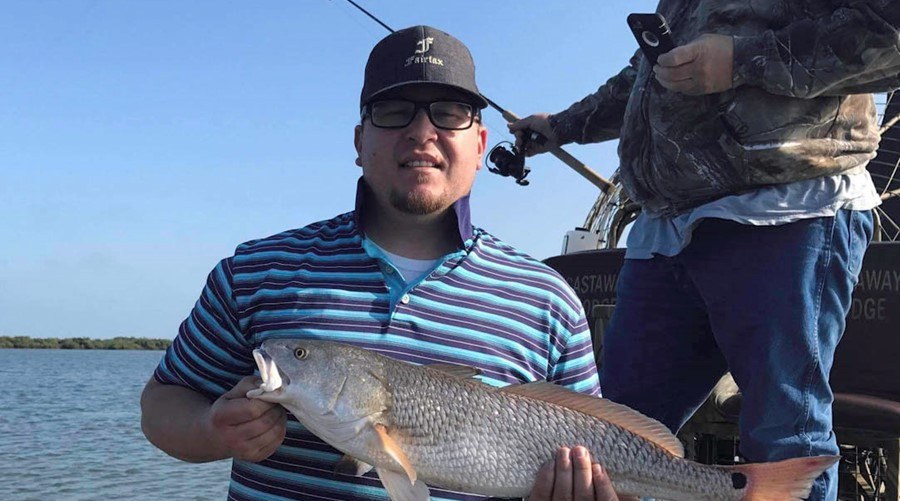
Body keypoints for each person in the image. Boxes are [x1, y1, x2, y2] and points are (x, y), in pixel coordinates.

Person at [140, 25, 622, 501]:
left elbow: (612, 455)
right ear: (358, 142)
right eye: (393, 112)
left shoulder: (547, 297)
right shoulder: (255, 271)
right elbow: (163, 403)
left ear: (479, 144)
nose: (421, 132)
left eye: (450, 114)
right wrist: (211, 429)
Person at [510, 3, 900, 501]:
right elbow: (646, 76)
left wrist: (742, 59)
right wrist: (563, 125)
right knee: (616, 429)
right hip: (666, 232)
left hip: (788, 213)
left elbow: (889, 33)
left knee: (785, 436)